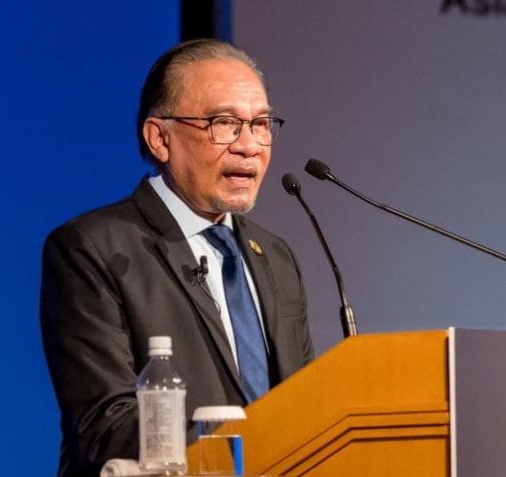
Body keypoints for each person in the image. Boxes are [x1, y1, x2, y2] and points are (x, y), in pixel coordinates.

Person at [40, 39, 314, 477]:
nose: (249, 145)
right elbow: (105, 429)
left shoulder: (276, 257)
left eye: (261, 124)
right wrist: (248, 449)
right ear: (160, 138)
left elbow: (307, 405)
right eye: (224, 124)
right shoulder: (92, 248)